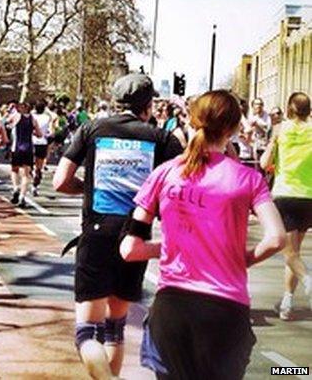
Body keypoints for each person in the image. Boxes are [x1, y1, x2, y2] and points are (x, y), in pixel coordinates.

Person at [120, 90, 286, 380]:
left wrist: (170, 246)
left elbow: (130, 249)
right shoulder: (249, 179)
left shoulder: (164, 173)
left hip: (172, 310)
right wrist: (240, 259)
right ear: (234, 129)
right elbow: (276, 238)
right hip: (225, 311)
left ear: (192, 121)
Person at [53, 73, 183, 379]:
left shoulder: (92, 129)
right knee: (115, 329)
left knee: (87, 334)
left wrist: (86, 187)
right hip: (135, 238)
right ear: (148, 106)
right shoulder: (161, 139)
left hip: (96, 234)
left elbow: (60, 181)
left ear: (116, 101)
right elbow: (181, 186)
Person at [261, 92, 312, 320]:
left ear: (290, 108)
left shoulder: (281, 129)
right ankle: (287, 302)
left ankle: (308, 281)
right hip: (309, 196)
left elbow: (264, 163)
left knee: (289, 253)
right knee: (294, 252)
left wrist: (273, 142)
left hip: (286, 194)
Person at [9, 102, 42, 207]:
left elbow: (7, 122)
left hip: (16, 148)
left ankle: (15, 188)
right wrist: (33, 132)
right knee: (26, 175)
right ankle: (22, 196)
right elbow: (40, 134)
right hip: (28, 148)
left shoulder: (16, 116)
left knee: (14, 169)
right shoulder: (33, 119)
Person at [32, 101, 52, 196]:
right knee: (39, 165)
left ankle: (33, 174)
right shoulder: (47, 117)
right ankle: (35, 184)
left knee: (29, 164)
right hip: (42, 142)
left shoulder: (33, 117)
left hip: (32, 142)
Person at [248, 97, 271, 167]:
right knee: (255, 166)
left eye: (260, 104)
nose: (258, 106)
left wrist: (257, 125)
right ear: (253, 106)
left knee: (263, 167)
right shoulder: (251, 116)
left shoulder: (267, 117)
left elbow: (267, 133)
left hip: (264, 146)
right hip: (254, 145)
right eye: (256, 104)